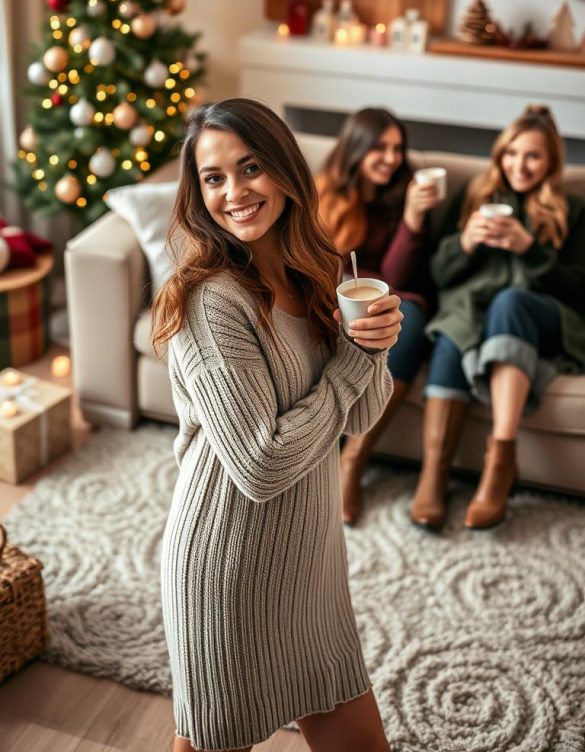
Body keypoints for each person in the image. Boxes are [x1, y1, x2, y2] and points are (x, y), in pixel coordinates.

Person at [151, 98, 403, 752]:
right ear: (196, 190)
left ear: (286, 172)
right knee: (213, 742)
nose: (234, 192)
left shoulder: (311, 274)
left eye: (251, 167)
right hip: (227, 570)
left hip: (310, 562)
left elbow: (360, 418)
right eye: (213, 177)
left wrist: (373, 349)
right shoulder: (211, 303)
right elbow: (260, 466)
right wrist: (353, 363)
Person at [410, 104, 585, 531]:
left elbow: (580, 289)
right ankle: (434, 474)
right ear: (499, 154)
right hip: (477, 315)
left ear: (550, 162)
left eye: (532, 156)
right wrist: (465, 242)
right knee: (455, 326)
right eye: (510, 153)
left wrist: (530, 248)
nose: (518, 165)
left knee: (510, 301)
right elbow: (438, 275)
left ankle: (501, 460)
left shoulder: (573, 209)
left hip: (546, 318)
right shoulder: (475, 196)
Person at [316, 107, 443, 525]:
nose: (391, 158)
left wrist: (411, 217)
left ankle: (353, 460)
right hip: (332, 301)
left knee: (410, 320)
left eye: (397, 149)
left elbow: (398, 277)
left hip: (393, 302)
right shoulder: (325, 195)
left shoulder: (403, 197)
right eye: (380, 148)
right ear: (356, 148)